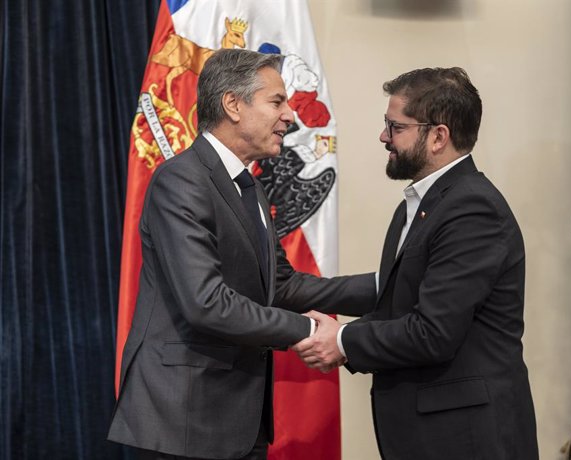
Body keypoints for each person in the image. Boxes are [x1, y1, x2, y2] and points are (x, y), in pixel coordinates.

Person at [107, 49, 375, 460]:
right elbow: (206, 303)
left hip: (237, 419)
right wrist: (308, 332)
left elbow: (281, 283)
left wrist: (384, 285)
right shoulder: (181, 180)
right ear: (233, 104)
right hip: (186, 420)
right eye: (277, 101)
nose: (290, 115)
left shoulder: (249, 186)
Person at [294, 67, 539, 459]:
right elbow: (397, 302)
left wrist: (341, 340)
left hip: (468, 440)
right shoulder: (422, 204)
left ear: (438, 136)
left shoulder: (471, 209)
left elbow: (432, 332)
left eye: (396, 127)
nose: (384, 137)